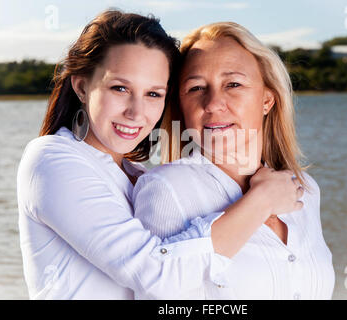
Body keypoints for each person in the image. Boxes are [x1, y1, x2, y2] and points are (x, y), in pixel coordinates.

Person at [17, 11, 304, 299]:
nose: (136, 112)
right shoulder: (51, 159)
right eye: (120, 88)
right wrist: (262, 200)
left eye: (153, 94)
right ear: (81, 86)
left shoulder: (135, 176)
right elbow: (157, 274)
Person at [133, 22, 335, 299]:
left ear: (267, 99)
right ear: (181, 105)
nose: (213, 103)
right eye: (196, 88)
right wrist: (259, 201)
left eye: (233, 84)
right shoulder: (166, 188)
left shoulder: (305, 189)